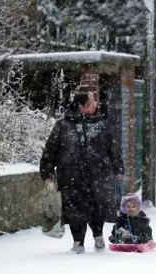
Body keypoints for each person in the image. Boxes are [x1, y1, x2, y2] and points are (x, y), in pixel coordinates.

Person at [40, 91, 124, 254]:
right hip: (70, 175)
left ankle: (98, 236)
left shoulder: (102, 124)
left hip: (98, 174)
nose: (95, 105)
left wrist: (117, 168)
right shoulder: (62, 125)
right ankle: (78, 242)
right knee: (74, 209)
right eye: (91, 102)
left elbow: (113, 148)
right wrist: (47, 171)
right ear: (81, 106)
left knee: (97, 205)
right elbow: (51, 150)